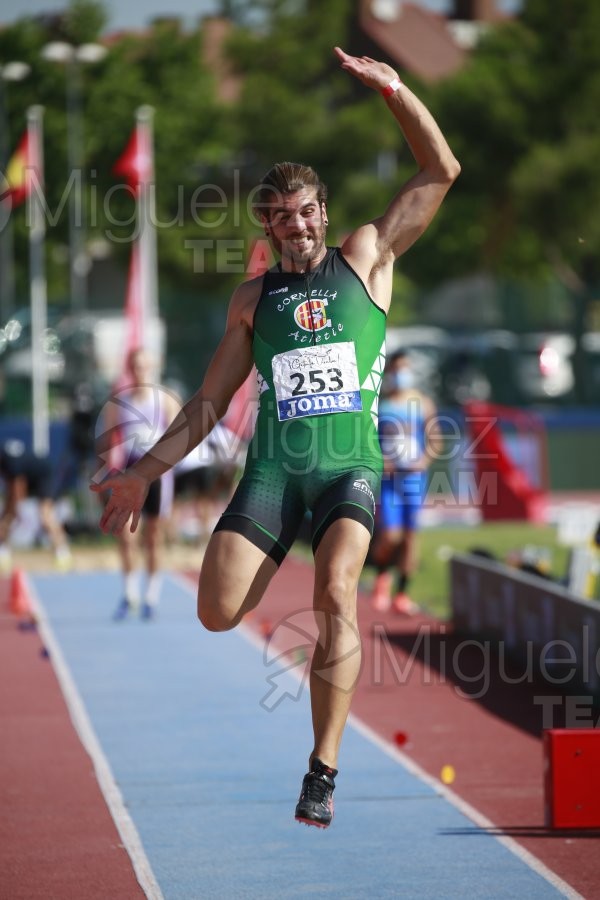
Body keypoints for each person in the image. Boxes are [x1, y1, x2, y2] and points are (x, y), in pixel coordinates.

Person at [91, 47, 460, 828]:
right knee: (217, 612)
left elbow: (440, 170)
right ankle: (272, 548)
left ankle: (322, 769)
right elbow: (202, 405)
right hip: (273, 475)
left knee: (336, 596)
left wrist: (395, 88)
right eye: (281, 216)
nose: (297, 225)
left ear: (323, 211)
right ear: (268, 225)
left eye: (306, 211)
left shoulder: (367, 256)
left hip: (346, 471)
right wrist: (140, 474)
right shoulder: (254, 299)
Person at [96, 347, 181, 620]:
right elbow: (110, 442)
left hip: (157, 474)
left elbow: (181, 435)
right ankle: (129, 593)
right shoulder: (119, 403)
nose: (140, 371)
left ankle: (151, 596)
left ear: (152, 367)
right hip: (130, 471)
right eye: (135, 366)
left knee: (154, 536)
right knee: (126, 535)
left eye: (144, 366)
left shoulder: (164, 399)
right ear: (129, 369)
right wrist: (110, 471)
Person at [370, 350, 439, 614]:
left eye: (406, 369)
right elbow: (367, 440)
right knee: (390, 535)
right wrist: (379, 461)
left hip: (414, 478)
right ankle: (381, 577)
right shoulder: (380, 404)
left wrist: (424, 460)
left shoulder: (423, 403)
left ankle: (402, 593)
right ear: (388, 373)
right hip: (389, 479)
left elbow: (435, 441)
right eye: (397, 370)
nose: (401, 375)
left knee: (411, 536)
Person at [0, 439, 72, 571]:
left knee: (45, 515)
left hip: (45, 476)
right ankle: (3, 551)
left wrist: (14, 511)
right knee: (6, 514)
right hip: (32, 477)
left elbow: (17, 490)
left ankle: (62, 552)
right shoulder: (6, 460)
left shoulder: (9, 461)